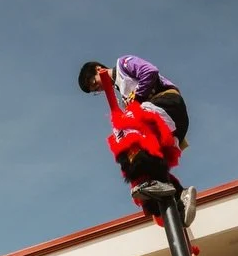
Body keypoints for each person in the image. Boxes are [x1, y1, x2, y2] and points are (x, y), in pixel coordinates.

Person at [78, 55, 196, 227]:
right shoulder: (121, 89)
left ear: (98, 69)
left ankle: (152, 181)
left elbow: (150, 71)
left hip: (167, 103)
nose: (99, 88)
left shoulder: (123, 64)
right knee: (138, 150)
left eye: (95, 83)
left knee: (126, 129)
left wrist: (137, 99)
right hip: (164, 121)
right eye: (94, 90)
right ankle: (178, 196)